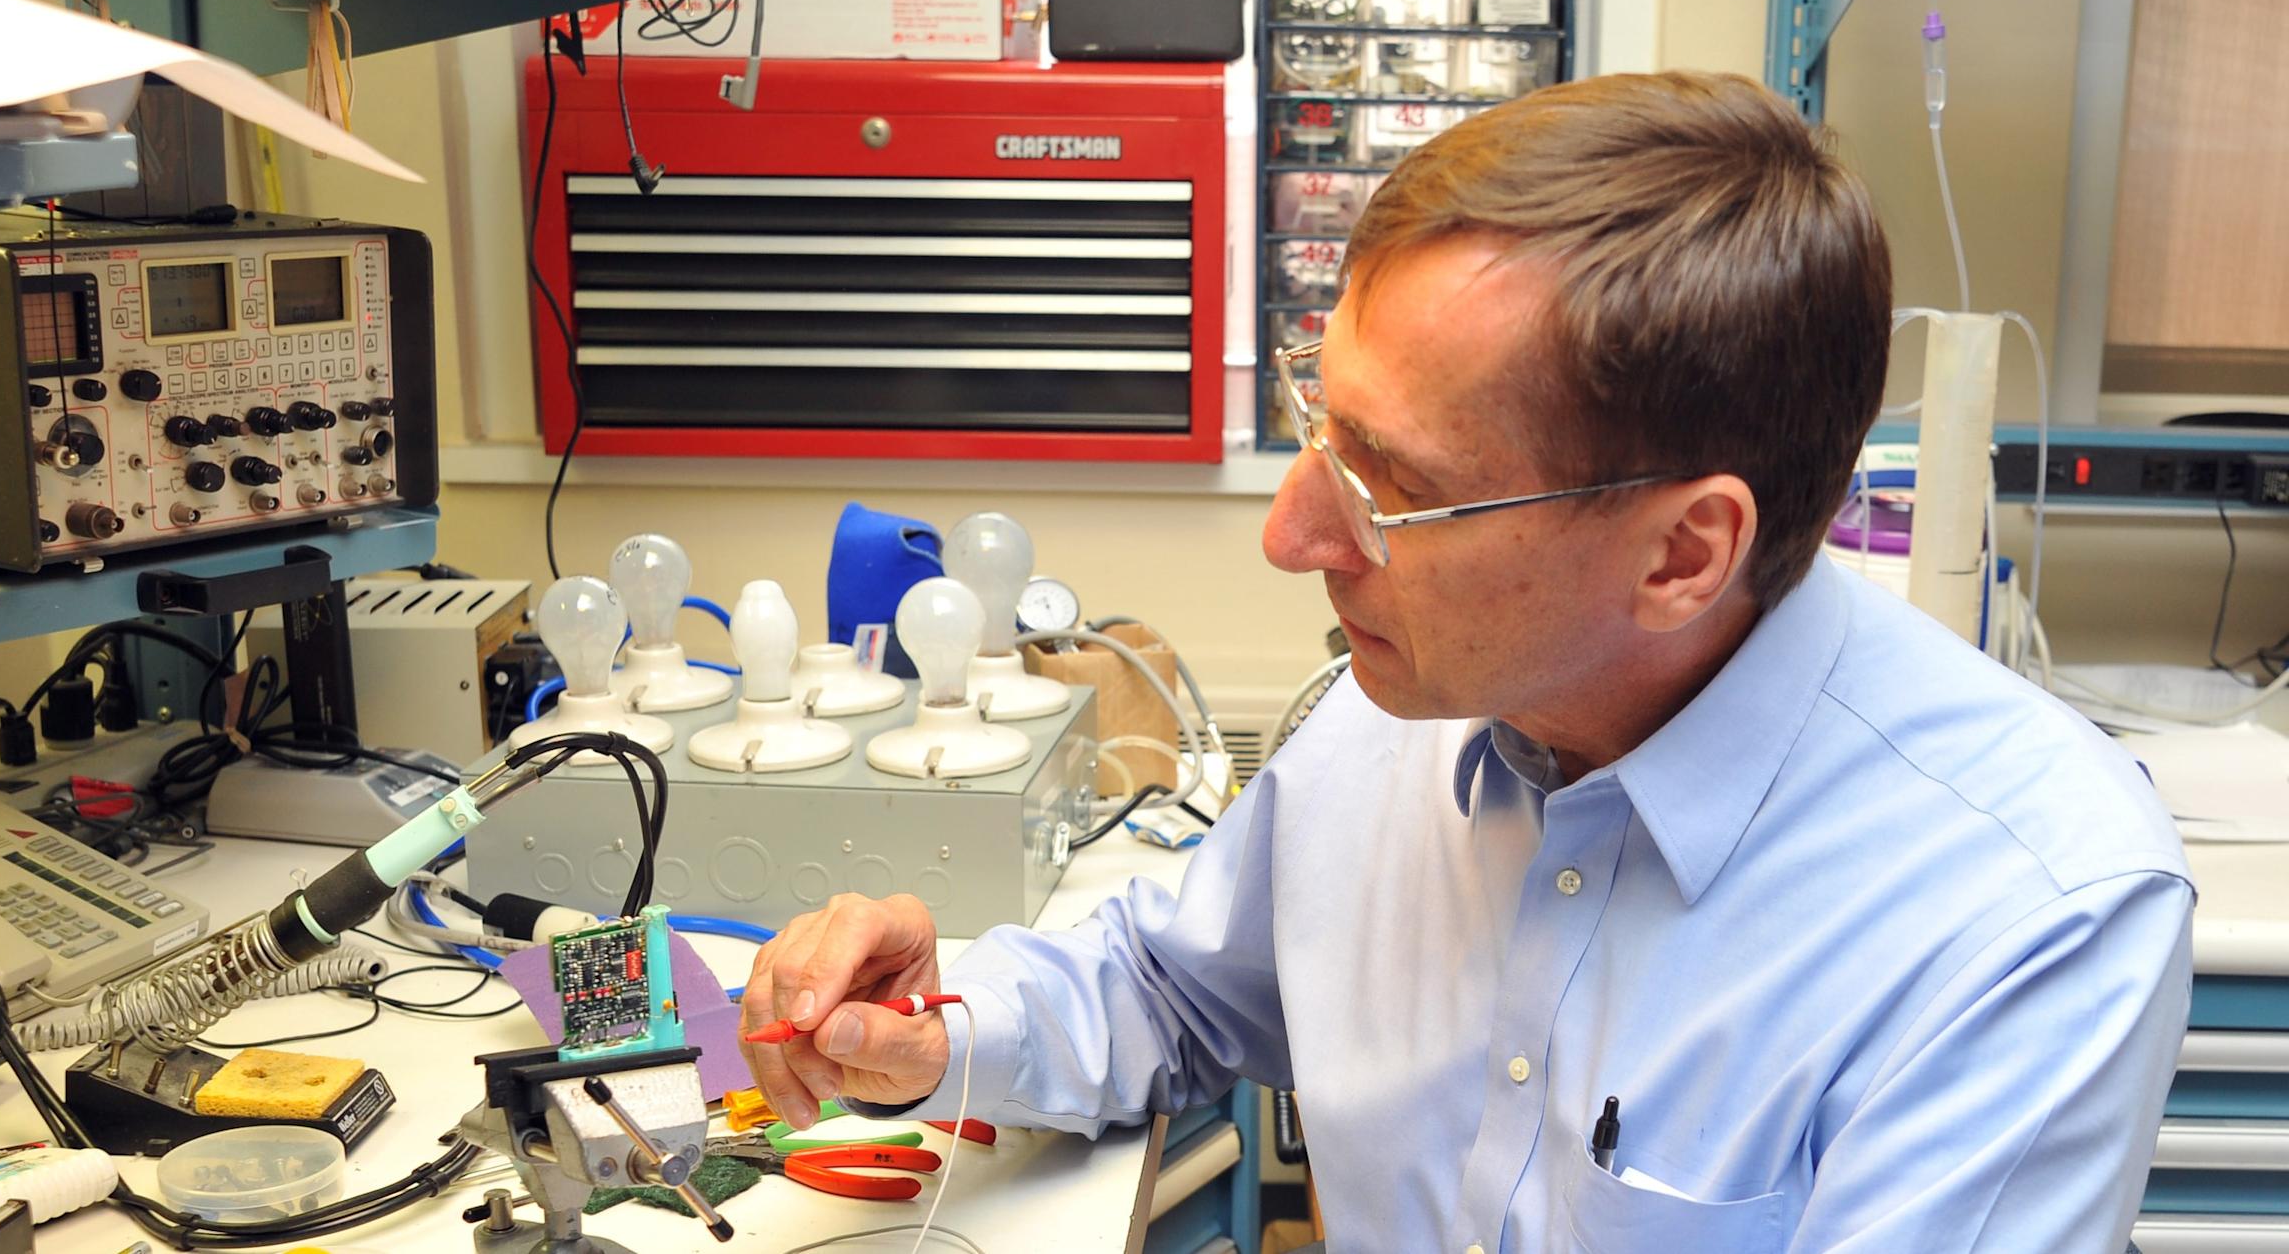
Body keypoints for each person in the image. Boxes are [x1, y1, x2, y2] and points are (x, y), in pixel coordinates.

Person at [737, 71, 2192, 1252]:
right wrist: (937, 1031)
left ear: (1683, 553)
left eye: (1385, 484)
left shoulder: (2026, 918)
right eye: (1322, 421)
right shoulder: (1402, 715)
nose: (1296, 534)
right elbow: (1174, 986)